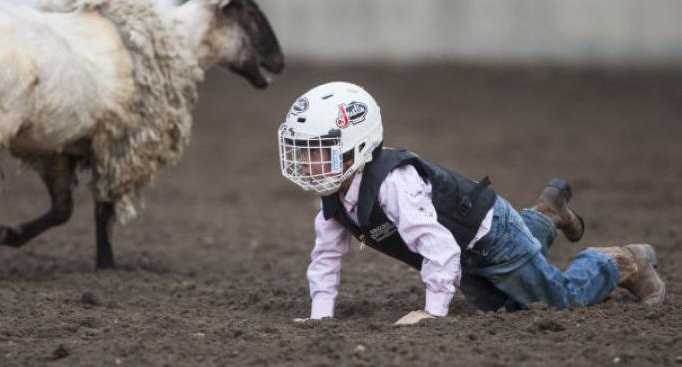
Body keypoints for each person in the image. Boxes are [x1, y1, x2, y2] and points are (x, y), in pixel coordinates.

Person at [277, 81, 666, 325]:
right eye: (302, 151)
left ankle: (621, 261)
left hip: (488, 237)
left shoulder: (393, 185)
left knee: (555, 302)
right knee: (504, 308)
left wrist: (433, 312)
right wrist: (320, 317)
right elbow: (325, 257)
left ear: (357, 145)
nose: (306, 162)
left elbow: (440, 247)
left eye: (317, 151)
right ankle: (545, 215)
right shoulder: (334, 200)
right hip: (467, 248)